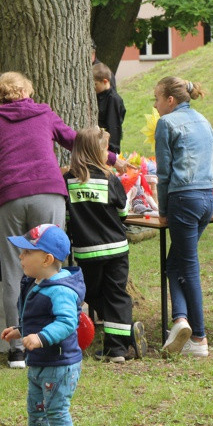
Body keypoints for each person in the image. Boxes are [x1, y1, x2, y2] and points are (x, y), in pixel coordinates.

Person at [0, 71, 126, 368]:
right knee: (52, 265)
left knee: (11, 269)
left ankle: (17, 349)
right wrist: (111, 159)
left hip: (7, 196)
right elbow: (76, 142)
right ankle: (53, 335)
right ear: (27, 92)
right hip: (48, 191)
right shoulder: (43, 113)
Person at [1, 224, 84, 426]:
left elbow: (67, 322)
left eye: (27, 253)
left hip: (59, 364)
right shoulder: (39, 283)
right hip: (40, 362)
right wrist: (21, 330)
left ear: (47, 259)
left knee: (56, 410)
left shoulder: (60, 289)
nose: (20, 257)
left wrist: (41, 338)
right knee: (35, 406)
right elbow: (38, 317)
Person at [63, 127, 146, 363]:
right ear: (98, 152)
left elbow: (68, 217)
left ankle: (121, 339)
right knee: (116, 294)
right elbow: (122, 212)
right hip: (117, 248)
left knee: (91, 293)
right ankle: (119, 342)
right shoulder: (110, 178)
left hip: (87, 251)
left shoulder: (68, 181)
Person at [153, 76, 213, 357]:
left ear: (170, 100)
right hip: (205, 199)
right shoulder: (203, 120)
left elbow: (164, 173)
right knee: (174, 264)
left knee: (187, 268)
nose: (155, 106)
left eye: (156, 100)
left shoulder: (166, 123)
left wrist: (163, 211)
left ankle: (199, 338)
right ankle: (180, 321)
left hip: (182, 199)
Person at [93, 63, 126, 154]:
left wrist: (111, 150)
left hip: (107, 147)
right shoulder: (98, 95)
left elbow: (113, 126)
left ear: (105, 81)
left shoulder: (113, 99)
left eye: (95, 84)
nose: (93, 87)